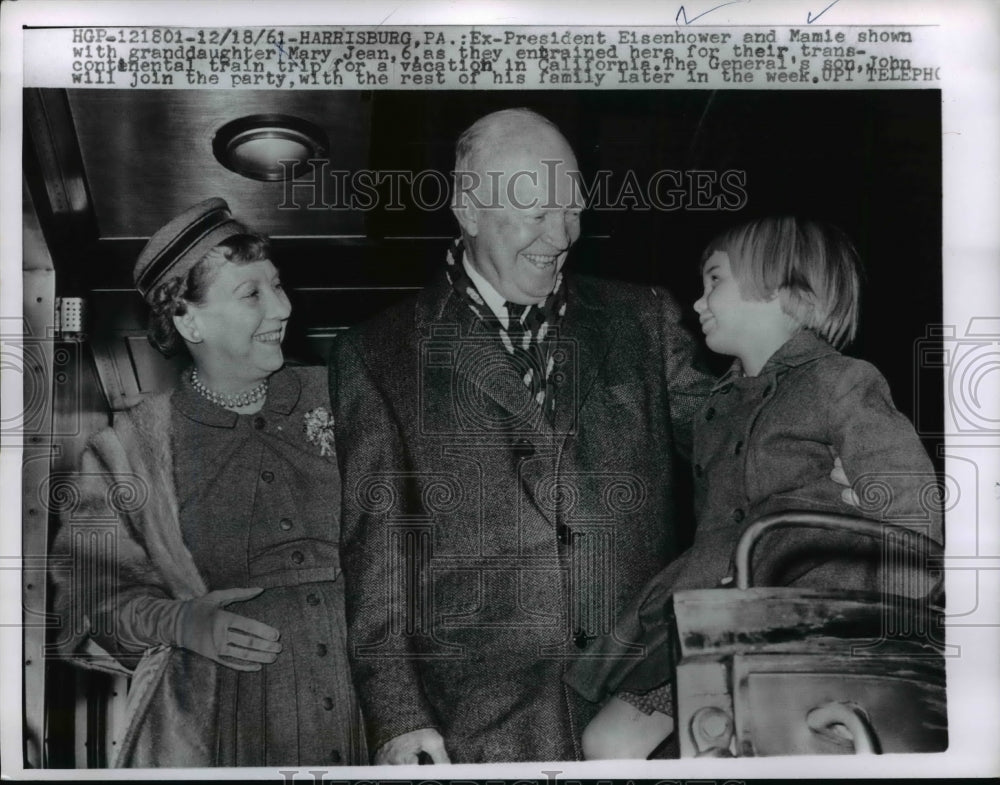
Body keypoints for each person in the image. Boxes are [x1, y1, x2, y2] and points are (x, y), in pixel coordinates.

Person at [327, 108, 713, 763]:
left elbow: (728, 432)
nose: (562, 236)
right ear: (468, 209)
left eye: (573, 210)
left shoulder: (642, 317)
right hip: (481, 728)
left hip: (643, 711)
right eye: (536, 214)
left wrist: (808, 438)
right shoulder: (379, 353)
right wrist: (397, 717)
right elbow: (379, 561)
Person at [566, 216, 945, 759]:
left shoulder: (840, 381)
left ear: (783, 293)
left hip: (814, 623)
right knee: (607, 742)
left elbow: (910, 503)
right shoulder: (716, 407)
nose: (698, 302)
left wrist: (893, 628)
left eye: (715, 280)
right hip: (714, 615)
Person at [51, 198, 365, 766]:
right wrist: (181, 622)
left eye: (278, 285)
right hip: (227, 728)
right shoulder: (126, 451)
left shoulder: (349, 396)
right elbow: (86, 597)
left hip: (373, 708)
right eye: (252, 294)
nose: (283, 307)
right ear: (187, 320)